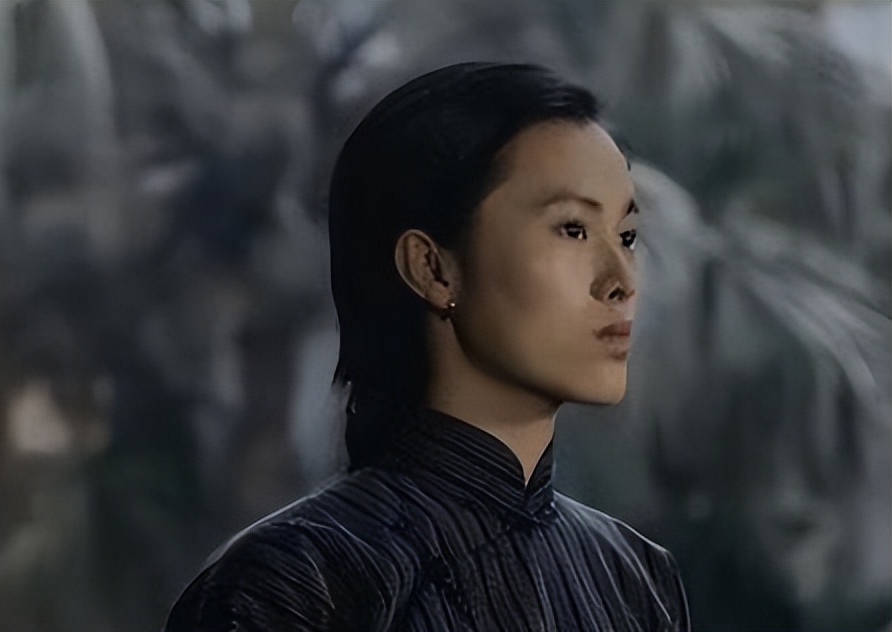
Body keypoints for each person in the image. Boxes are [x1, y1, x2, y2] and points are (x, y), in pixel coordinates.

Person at [164, 62, 690, 631]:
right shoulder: (294, 582)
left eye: (627, 236)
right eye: (573, 229)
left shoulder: (635, 578)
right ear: (432, 268)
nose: (622, 280)